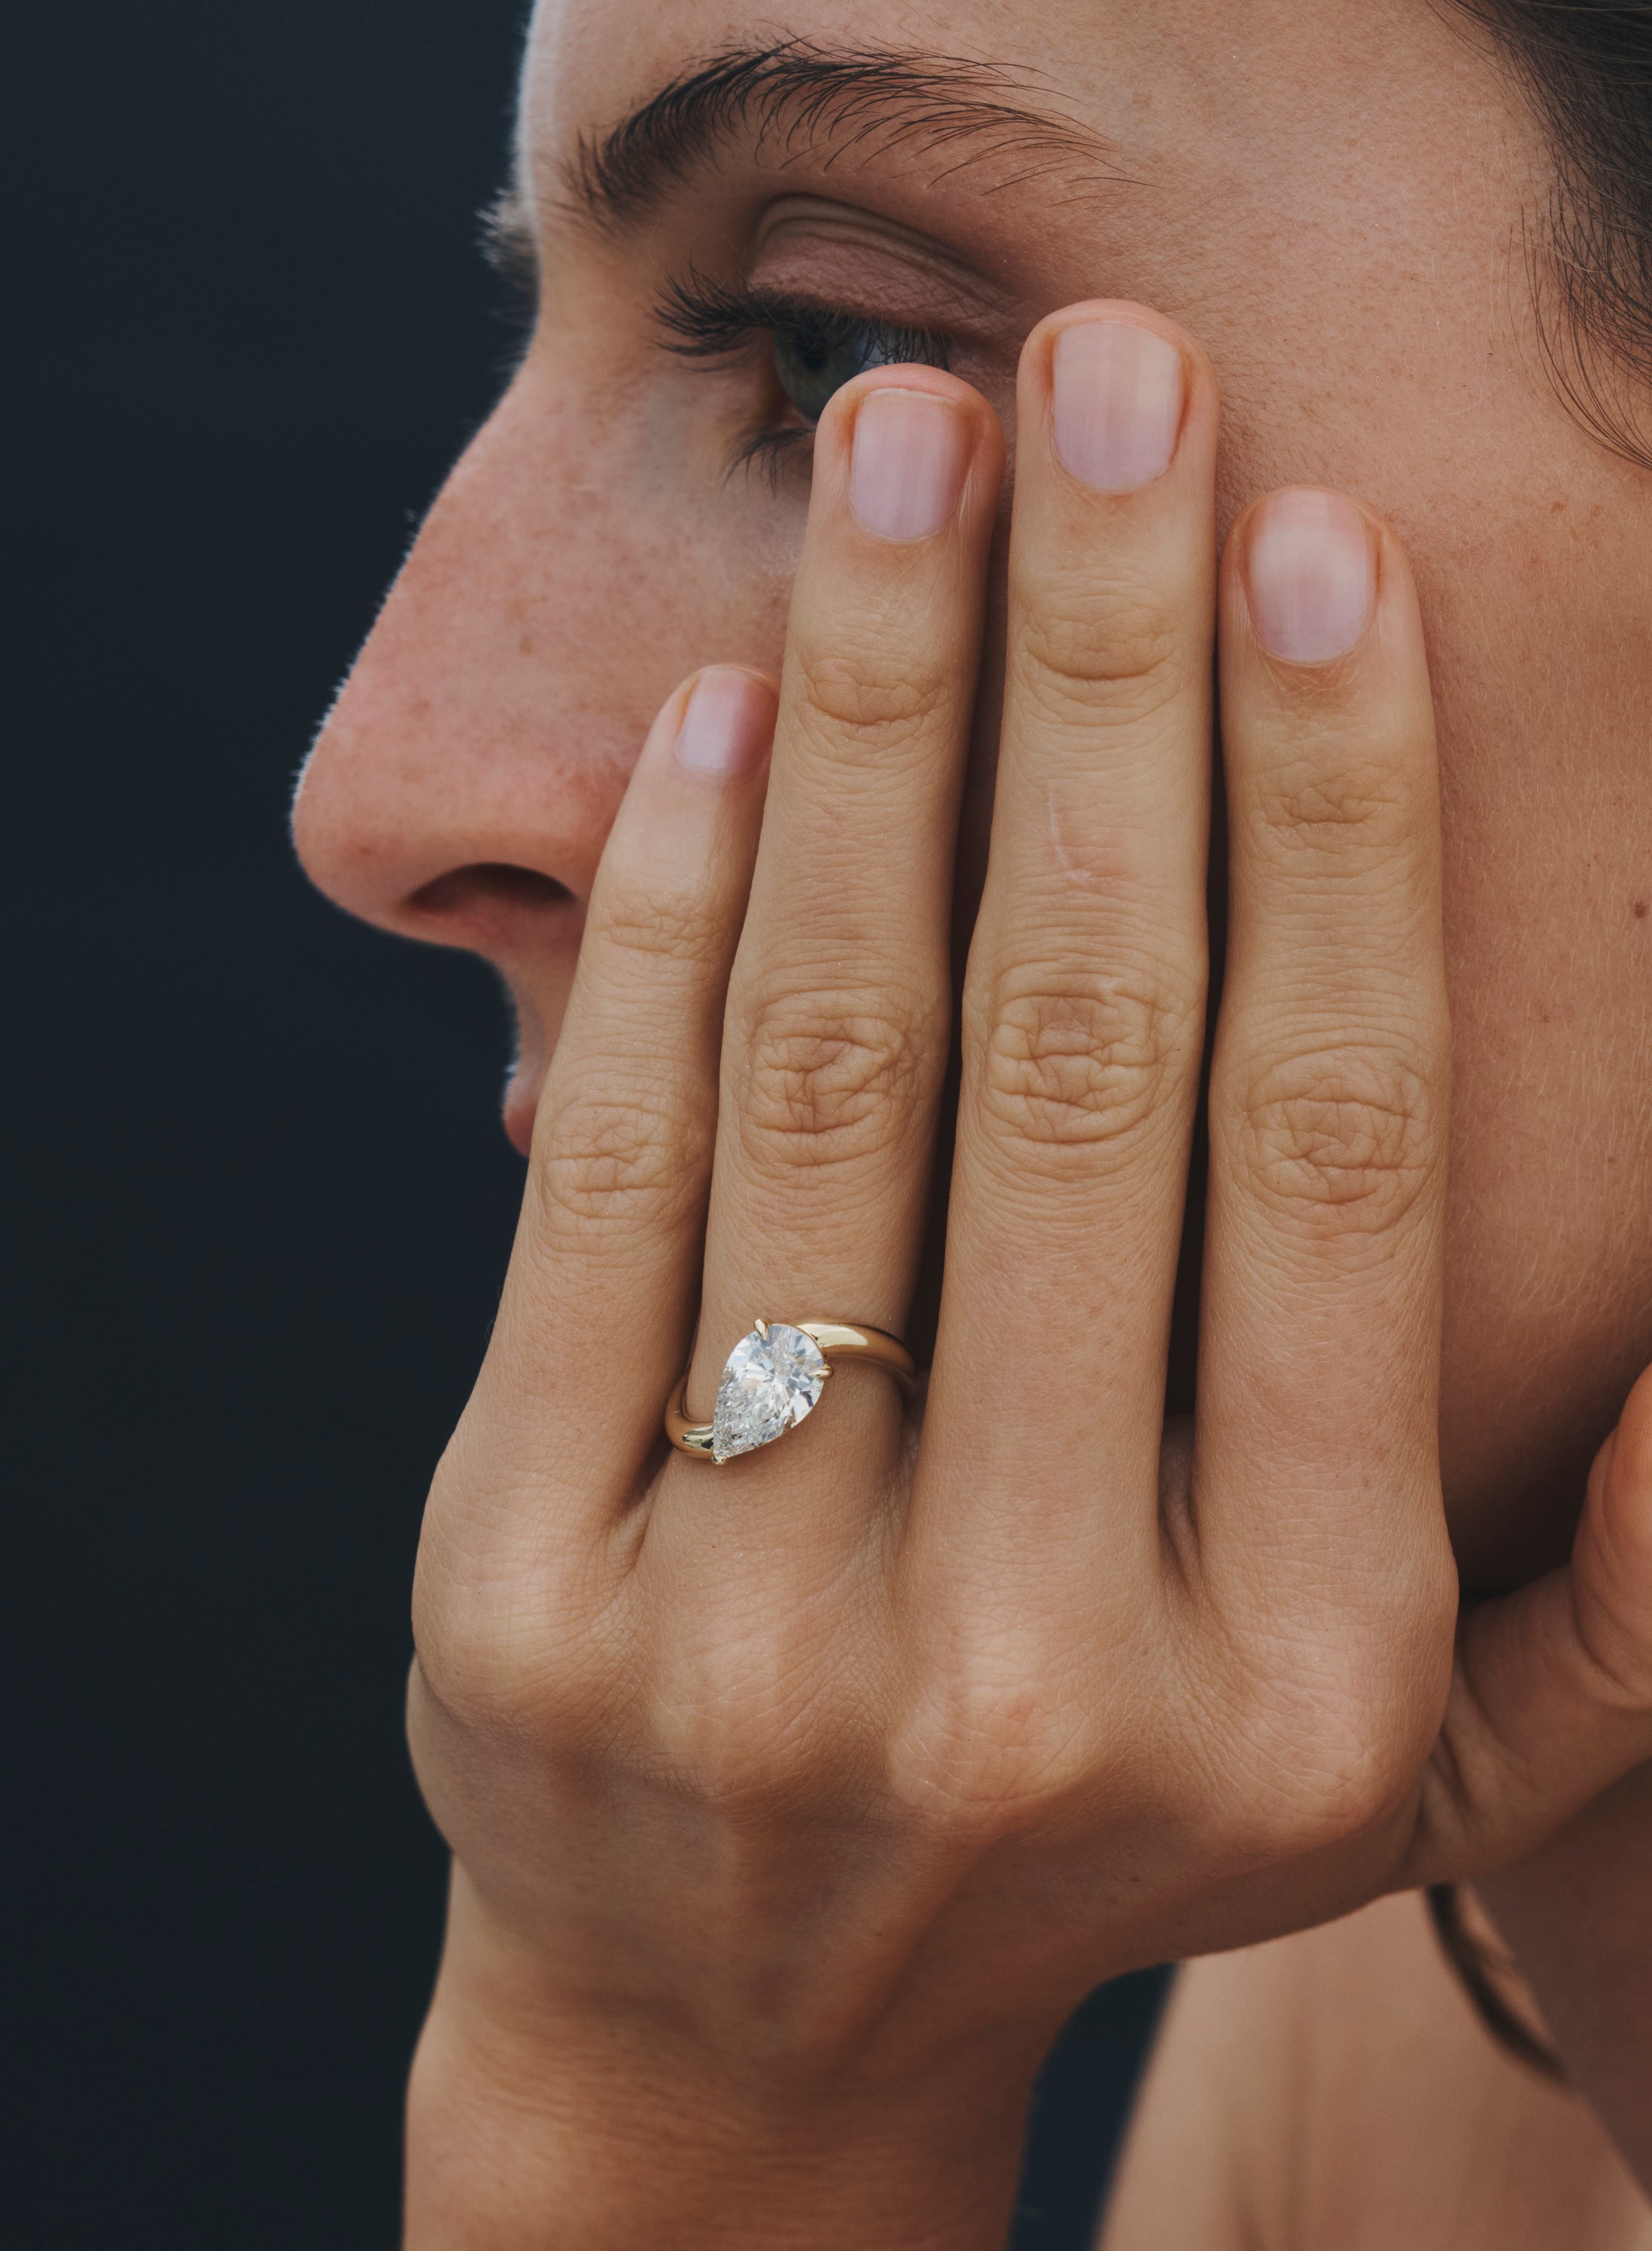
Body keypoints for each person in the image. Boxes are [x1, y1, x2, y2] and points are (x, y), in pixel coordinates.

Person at [292, 2, 1652, 2242]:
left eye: (837, 362)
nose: (388, 789)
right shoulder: (1402, 2043)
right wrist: (694, 2099)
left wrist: (686, 2106)